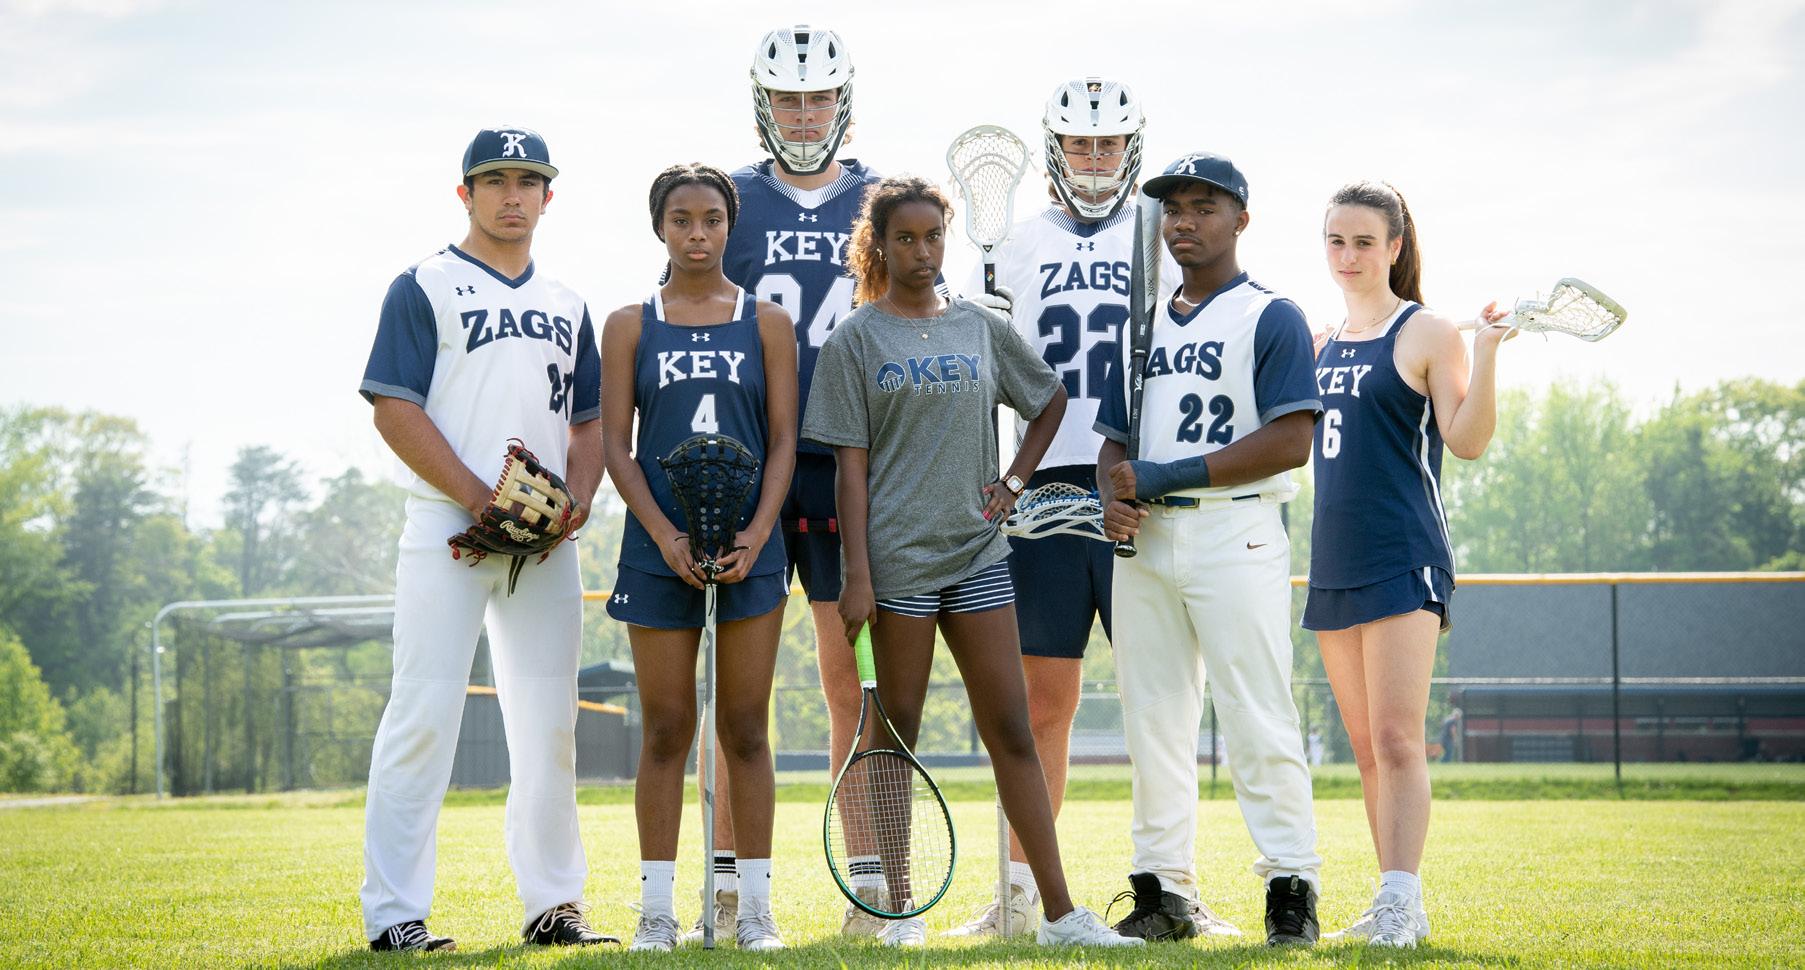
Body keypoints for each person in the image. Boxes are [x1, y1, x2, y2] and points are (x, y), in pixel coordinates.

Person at [803, 175, 1140, 950]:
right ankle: (900, 913)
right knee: (896, 739)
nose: (921, 252)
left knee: (1013, 731)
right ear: (878, 246)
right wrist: (856, 575)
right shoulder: (855, 340)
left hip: (979, 555)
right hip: (898, 564)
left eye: (932, 236)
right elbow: (849, 471)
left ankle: (1059, 915)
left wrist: (1013, 482)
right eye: (905, 239)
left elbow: (1048, 401)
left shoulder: (980, 327)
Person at [943, 77, 1239, 941]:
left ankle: (1172, 887)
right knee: (1040, 706)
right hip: (1041, 482)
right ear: (1056, 148)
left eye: (1108, 142)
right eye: (1080, 143)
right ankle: (1020, 893)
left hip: (1139, 481)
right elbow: (975, 371)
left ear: (1131, 146)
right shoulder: (1010, 244)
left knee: (1160, 701)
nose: (1096, 157)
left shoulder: (1161, 235)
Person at [357, 126, 611, 951]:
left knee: (548, 726)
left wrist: (576, 502)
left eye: (527, 181)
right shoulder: (424, 285)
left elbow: (589, 423)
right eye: (495, 180)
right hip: (449, 525)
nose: (512, 195)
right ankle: (395, 915)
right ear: (464, 193)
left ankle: (553, 904)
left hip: (544, 541)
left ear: (548, 196)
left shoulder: (567, 301)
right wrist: (479, 499)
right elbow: (394, 407)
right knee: (423, 713)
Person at [1097, 153, 1325, 946]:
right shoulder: (1141, 323)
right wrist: (1110, 497)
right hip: (1148, 539)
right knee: (1153, 722)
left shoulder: (1271, 314)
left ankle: (1290, 888)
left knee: (1257, 712)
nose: (1184, 222)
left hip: (1237, 528)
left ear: (1240, 220)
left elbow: (1290, 440)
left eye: (1203, 207)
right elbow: (1114, 438)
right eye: (1172, 209)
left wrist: (1164, 474)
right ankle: (1163, 892)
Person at [697, 25, 887, 940]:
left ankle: (873, 887)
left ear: (841, 101)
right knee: (741, 693)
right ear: (762, 103)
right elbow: (689, 326)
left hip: (854, 464)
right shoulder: (725, 202)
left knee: (857, 685)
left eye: (816, 97)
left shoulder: (881, 198)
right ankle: (727, 890)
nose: (803, 114)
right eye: (787, 98)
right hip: (753, 464)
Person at [1306, 179, 1512, 948]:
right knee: (1364, 749)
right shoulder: (1321, 342)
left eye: (1363, 241)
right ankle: (1390, 898)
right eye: (1335, 240)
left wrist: (1484, 352)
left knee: (1397, 740)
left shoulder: (1425, 331)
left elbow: (1466, 440)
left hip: (1402, 555)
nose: (1348, 255)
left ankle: (1401, 899)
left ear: (1394, 247)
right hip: (1332, 561)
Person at [600, 164, 798, 953]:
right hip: (659, 546)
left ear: (729, 224)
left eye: (711, 218)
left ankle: (754, 912)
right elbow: (617, 448)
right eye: (680, 219)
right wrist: (662, 534)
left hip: (751, 544)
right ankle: (655, 912)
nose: (696, 233)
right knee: (665, 728)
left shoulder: (767, 322)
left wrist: (757, 532)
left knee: (745, 728)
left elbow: (782, 440)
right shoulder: (629, 324)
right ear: (659, 226)